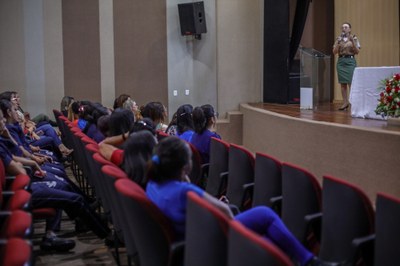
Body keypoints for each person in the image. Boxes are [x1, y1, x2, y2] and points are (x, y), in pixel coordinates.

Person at [146, 137, 320, 266]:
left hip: (194, 237)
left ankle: (301, 259)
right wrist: (239, 238)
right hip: (210, 240)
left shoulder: (152, 185)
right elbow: (225, 212)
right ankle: (307, 260)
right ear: (185, 166)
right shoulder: (184, 191)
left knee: (264, 227)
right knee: (265, 216)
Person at [332, 22, 361, 111]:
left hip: (350, 61)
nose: (344, 28)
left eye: (346, 27)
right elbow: (334, 52)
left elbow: (357, 52)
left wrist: (352, 41)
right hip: (341, 62)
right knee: (343, 84)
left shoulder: (354, 38)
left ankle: (353, 102)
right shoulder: (338, 39)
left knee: (351, 83)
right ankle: (345, 103)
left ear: (350, 29)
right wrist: (338, 43)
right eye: (343, 27)